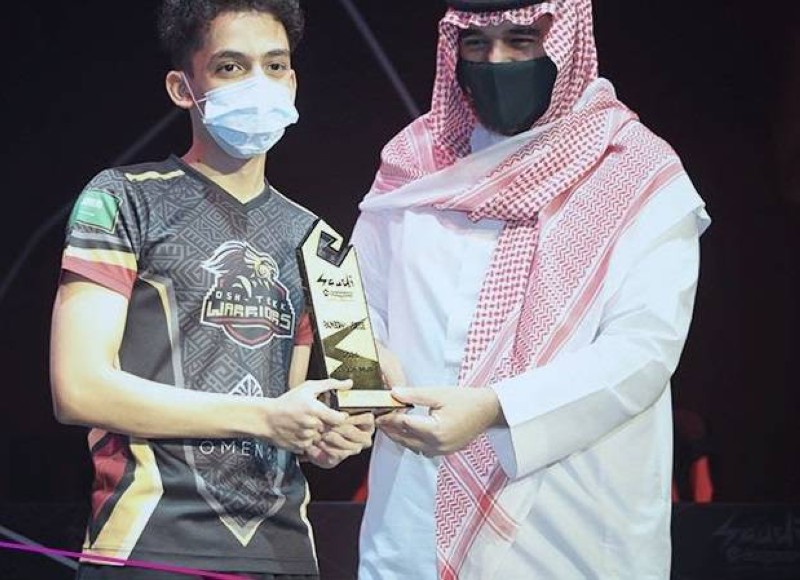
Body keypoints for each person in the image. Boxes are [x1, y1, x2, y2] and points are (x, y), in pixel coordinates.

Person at [350, 0, 711, 578]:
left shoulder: (638, 172)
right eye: (477, 44)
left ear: (567, 43)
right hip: (412, 521)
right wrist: (368, 371)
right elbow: (355, 306)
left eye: (521, 40)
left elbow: (643, 351)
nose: (497, 62)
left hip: (571, 530)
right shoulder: (415, 162)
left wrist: (496, 409)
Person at [48, 1, 375, 578]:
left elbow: (300, 403)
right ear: (183, 88)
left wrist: (327, 432)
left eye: (275, 65)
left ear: (293, 82)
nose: (258, 83)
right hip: (150, 543)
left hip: (284, 552)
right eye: (230, 67)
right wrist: (266, 417)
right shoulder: (123, 199)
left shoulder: (319, 240)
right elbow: (79, 389)